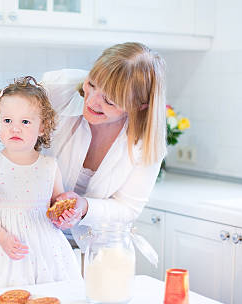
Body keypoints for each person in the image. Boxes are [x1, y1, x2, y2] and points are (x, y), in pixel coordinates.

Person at [42, 43, 166, 244]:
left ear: (139, 106)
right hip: (41, 235)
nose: (92, 101)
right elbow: (12, 112)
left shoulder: (145, 144)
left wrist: (84, 206)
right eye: (91, 85)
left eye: (110, 101)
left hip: (101, 246)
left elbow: (127, 208)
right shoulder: (57, 92)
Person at [0, 76, 82, 289]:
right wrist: (3, 238)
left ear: (42, 127)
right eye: (7, 121)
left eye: (25, 122)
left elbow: (56, 206)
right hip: (4, 250)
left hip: (45, 249)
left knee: (49, 298)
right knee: (8, 299)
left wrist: (64, 213)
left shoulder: (50, 166)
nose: (15, 128)